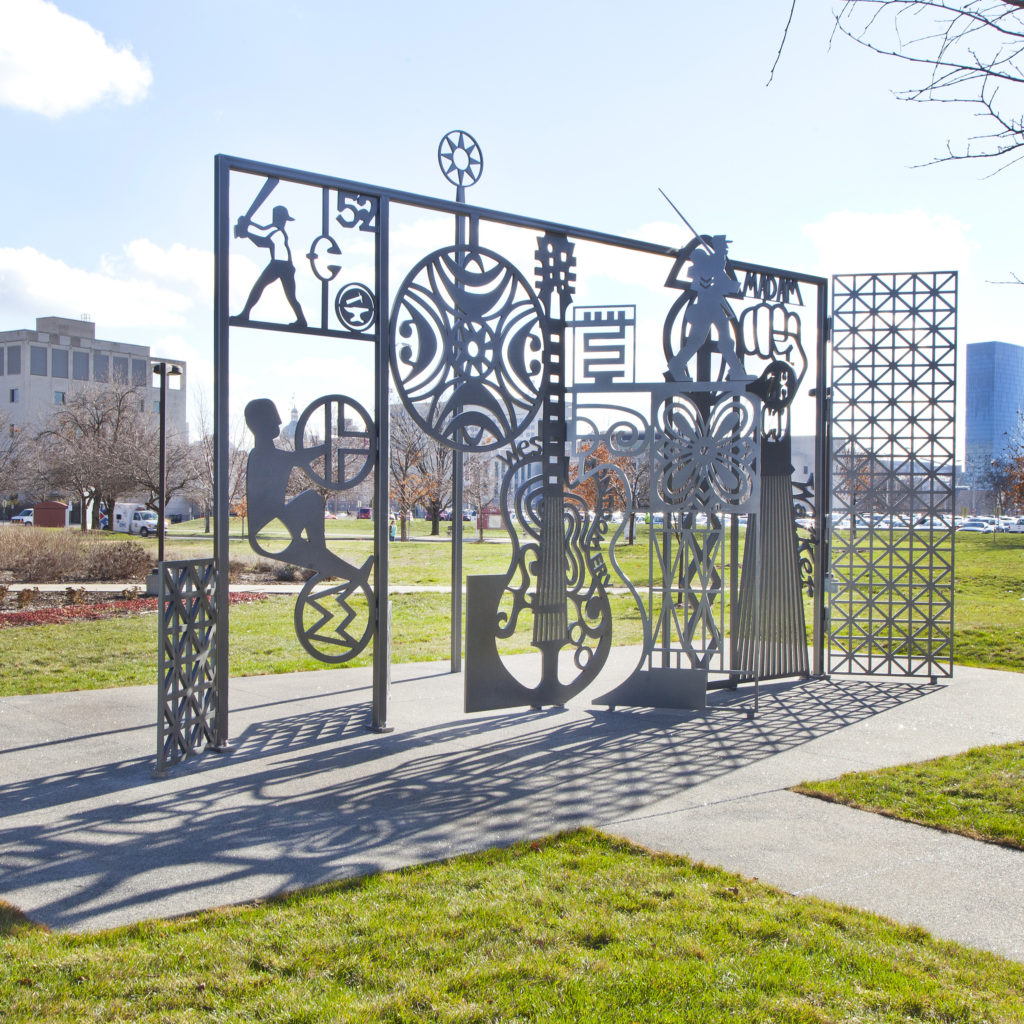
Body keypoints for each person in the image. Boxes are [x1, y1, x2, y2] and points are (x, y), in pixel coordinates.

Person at [244, 398, 369, 585]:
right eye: (274, 419)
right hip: (271, 527)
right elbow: (296, 458)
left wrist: (326, 447)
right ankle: (324, 555)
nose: (279, 422)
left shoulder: (266, 453)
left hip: (277, 523)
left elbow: (293, 458)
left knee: (312, 499)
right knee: (311, 499)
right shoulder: (262, 455)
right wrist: (325, 447)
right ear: (261, 424)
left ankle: (329, 558)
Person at [235, 205, 307, 327]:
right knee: (289, 296)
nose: (284, 222)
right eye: (283, 219)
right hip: (285, 266)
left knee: (259, 287)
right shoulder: (276, 229)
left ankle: (245, 313)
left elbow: (262, 241)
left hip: (279, 265)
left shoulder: (277, 231)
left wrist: (247, 233)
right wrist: (248, 225)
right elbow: (262, 229)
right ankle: (301, 319)